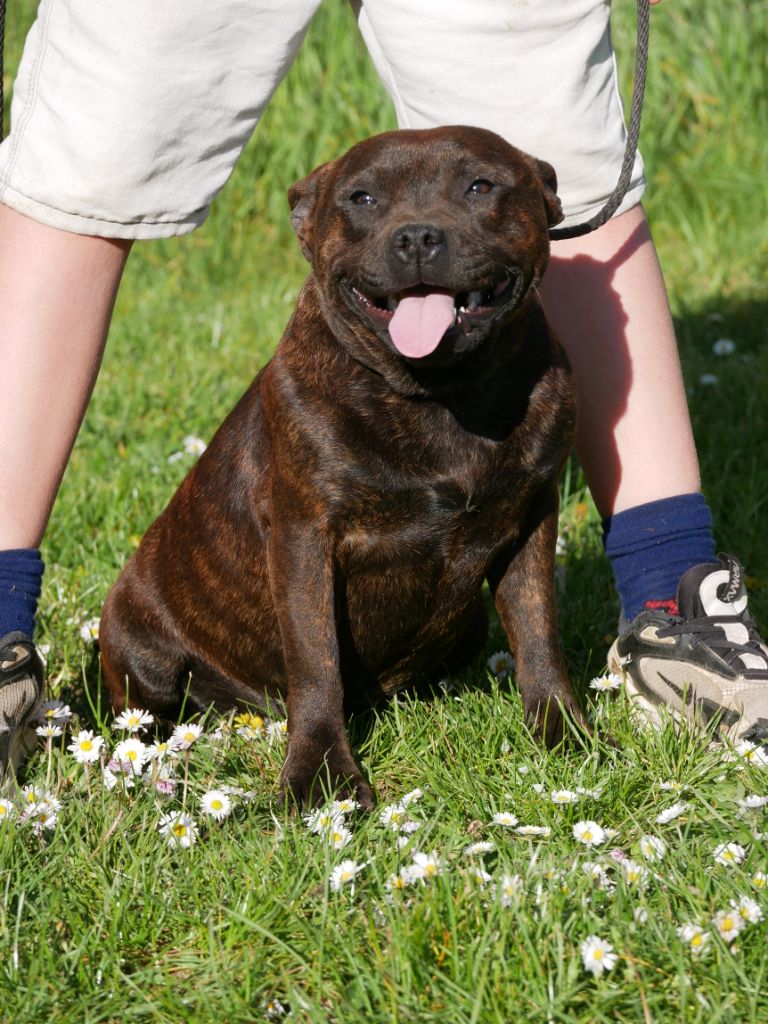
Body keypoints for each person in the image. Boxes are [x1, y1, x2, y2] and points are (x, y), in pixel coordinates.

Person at [1, 0, 766, 779]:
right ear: (309, 225)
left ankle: (673, 607)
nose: (419, 233)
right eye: (365, 203)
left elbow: (530, 509)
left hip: (421, 643)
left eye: (478, 190)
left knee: (541, 81)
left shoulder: (544, 380)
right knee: (96, 130)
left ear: (545, 204)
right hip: (210, 653)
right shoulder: (311, 395)